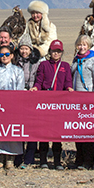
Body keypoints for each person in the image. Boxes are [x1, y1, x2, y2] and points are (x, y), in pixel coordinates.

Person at [30, 40, 73, 169]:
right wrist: (36, 88)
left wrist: (69, 88)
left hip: (59, 105)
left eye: (58, 51)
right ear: (50, 52)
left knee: (57, 134)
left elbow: (68, 82)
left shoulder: (65, 66)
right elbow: (39, 81)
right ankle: (43, 160)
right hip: (45, 104)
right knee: (43, 133)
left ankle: (57, 161)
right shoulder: (43, 65)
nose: (56, 53)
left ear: (62, 52)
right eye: (54, 51)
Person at [0, 44, 26, 169]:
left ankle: (10, 159)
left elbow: (19, 89)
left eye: (7, 54)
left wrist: (12, 103)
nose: (4, 57)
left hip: (13, 106)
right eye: (2, 55)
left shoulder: (18, 71)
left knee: (12, 131)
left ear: (12, 56)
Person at [70, 35, 94, 170]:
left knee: (88, 131)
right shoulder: (76, 59)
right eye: (79, 45)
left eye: (84, 45)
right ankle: (79, 158)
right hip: (76, 99)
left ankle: (88, 161)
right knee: (78, 130)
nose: (82, 47)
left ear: (88, 46)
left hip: (89, 99)